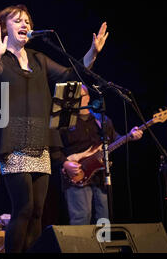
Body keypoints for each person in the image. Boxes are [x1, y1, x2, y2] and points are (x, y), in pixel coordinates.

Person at [0, 4, 109, 253]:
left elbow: (71, 74)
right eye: (18, 20)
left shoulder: (38, 59)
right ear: (4, 27)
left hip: (40, 143)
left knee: (37, 213)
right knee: (23, 209)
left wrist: (93, 53)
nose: (25, 24)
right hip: (13, 143)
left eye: (27, 21)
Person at [59, 84, 143, 225]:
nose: (77, 100)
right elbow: (55, 148)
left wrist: (130, 136)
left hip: (100, 175)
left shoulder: (101, 120)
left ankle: (103, 246)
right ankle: (80, 247)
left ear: (88, 98)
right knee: (81, 217)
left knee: (104, 218)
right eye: (74, 97)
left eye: (81, 96)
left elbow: (115, 139)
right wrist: (65, 162)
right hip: (76, 174)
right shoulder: (64, 122)